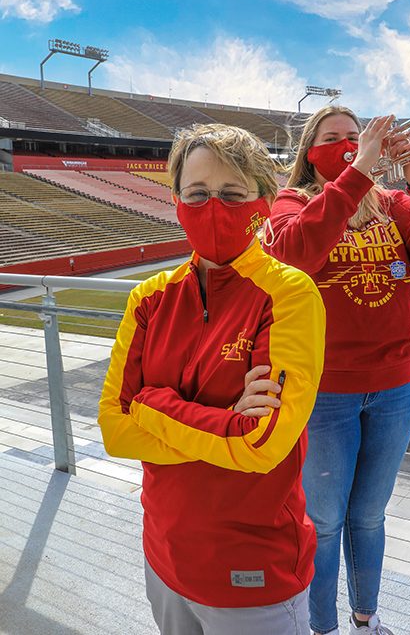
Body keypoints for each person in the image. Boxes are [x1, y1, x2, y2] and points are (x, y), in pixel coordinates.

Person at [98, 123, 326, 635]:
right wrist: (222, 422)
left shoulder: (289, 294)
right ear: (177, 200)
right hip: (164, 554)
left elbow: (262, 444)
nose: (213, 208)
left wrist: (153, 405)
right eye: (198, 194)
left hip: (254, 570)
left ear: (264, 202)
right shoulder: (150, 299)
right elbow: (113, 430)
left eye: (231, 194)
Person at [263, 107, 410, 635]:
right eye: (333, 139)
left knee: (369, 516)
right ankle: (320, 625)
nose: (348, 144)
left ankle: (365, 615)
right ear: (310, 152)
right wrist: (358, 174)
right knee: (326, 521)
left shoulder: (392, 203)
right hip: (327, 392)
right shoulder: (292, 202)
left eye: (356, 137)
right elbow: (289, 253)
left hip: (396, 387)